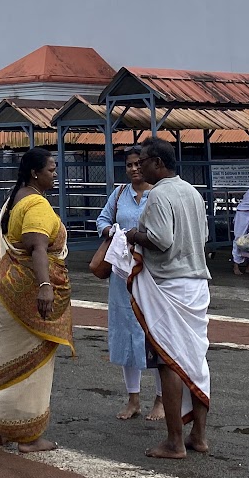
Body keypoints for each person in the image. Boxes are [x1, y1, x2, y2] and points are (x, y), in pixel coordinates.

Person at [125, 139, 212, 460]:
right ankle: (198, 435)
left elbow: (160, 240)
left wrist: (134, 235)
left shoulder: (159, 194)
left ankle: (175, 441)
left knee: (168, 360)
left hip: (168, 285)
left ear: (158, 163)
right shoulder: (192, 192)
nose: (139, 167)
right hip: (196, 285)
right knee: (195, 360)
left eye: (143, 161)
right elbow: (203, 236)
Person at [0, 148, 74, 454]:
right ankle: (28, 437)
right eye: (51, 169)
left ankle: (2, 429)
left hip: (5, 292)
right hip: (26, 295)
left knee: (4, 357)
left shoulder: (14, 199)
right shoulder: (36, 203)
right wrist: (45, 286)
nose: (55, 174)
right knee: (32, 364)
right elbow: (37, 247)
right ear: (35, 173)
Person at [95, 147, 163, 422]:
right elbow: (101, 219)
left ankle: (160, 399)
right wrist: (111, 230)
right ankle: (133, 398)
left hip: (151, 272)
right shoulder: (119, 193)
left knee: (155, 334)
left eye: (138, 164)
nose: (134, 169)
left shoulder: (158, 194)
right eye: (129, 165)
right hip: (122, 274)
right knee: (124, 332)